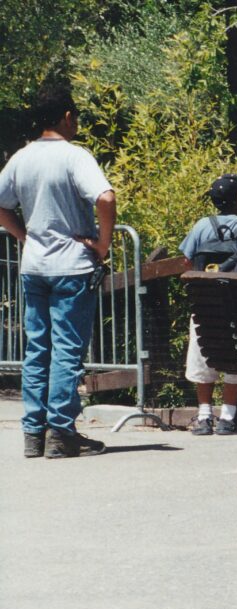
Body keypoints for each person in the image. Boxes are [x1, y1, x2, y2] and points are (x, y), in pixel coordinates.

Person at [0, 82, 113, 459]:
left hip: (34, 266)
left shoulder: (21, 157)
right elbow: (105, 197)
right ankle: (61, 432)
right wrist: (102, 244)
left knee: (37, 349)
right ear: (67, 117)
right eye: (76, 117)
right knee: (67, 350)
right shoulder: (74, 156)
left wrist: (23, 236)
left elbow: (1, 205)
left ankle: (33, 433)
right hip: (71, 265)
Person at [179, 174, 237, 435]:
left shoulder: (202, 225)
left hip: (203, 303)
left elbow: (187, 260)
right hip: (232, 303)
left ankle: (203, 416)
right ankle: (227, 417)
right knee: (235, 357)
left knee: (202, 356)